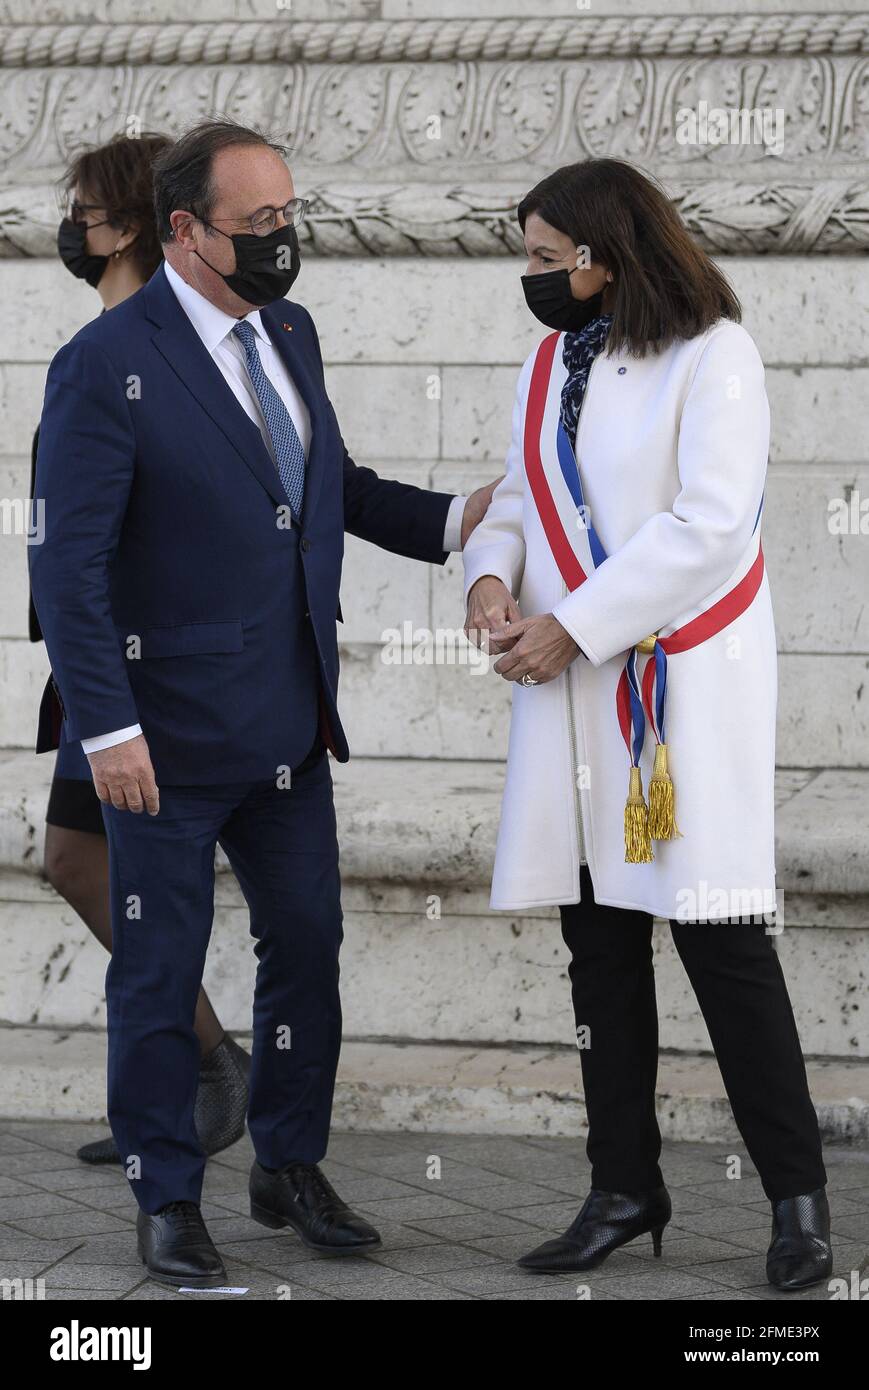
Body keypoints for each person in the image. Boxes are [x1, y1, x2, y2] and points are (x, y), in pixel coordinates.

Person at [30, 118, 497, 1290]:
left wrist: (455, 520)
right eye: (261, 224)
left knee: (309, 945)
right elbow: (66, 568)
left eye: (292, 216)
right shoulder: (105, 363)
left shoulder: (287, 330)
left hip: (288, 723)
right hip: (163, 737)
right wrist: (109, 727)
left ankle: (287, 1164)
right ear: (184, 232)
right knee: (156, 964)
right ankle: (165, 1192)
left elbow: (324, 486)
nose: (285, 239)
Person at [463, 157, 832, 1292]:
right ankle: (622, 1185)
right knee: (598, 952)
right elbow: (525, 495)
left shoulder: (711, 354)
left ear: (604, 253)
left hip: (668, 691)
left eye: (542, 259)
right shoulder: (544, 363)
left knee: (721, 943)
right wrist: (488, 573)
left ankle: (796, 1204)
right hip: (571, 697)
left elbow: (709, 525)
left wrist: (572, 622)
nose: (527, 277)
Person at [31, 132, 251, 1167]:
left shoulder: (150, 345)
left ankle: (182, 1098)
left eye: (85, 211)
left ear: (124, 219)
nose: (73, 230)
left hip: (141, 671)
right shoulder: (111, 339)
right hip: (98, 661)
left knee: (127, 878)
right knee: (75, 862)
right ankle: (207, 1065)